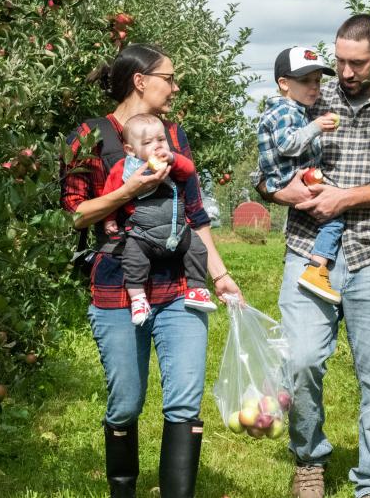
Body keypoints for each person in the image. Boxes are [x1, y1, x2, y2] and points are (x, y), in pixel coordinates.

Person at [253, 15, 370, 498]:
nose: (345, 73)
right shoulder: (312, 96)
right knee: (303, 361)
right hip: (308, 248)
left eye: (357, 63)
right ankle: (309, 459)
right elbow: (263, 169)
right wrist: (276, 191)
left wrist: (344, 198)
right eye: (339, 61)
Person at [62, 43, 242, 498]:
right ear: (141, 81)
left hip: (181, 282)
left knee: (184, 401)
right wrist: (129, 189)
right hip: (117, 283)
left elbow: (196, 215)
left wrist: (219, 276)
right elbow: (74, 214)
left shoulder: (175, 135)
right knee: (125, 402)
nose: (175, 87)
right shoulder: (89, 136)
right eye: (170, 78)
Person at [99, 113, 217, 325]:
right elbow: (110, 193)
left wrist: (173, 158)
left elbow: (189, 170)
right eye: (147, 142)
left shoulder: (171, 164)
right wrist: (109, 219)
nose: (157, 146)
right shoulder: (124, 169)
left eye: (161, 140)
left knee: (198, 249)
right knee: (133, 258)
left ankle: (197, 289)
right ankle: (138, 299)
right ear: (130, 150)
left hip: (178, 231)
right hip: (143, 235)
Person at [256, 46, 344, 304]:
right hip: (287, 180)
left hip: (291, 178)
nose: (314, 87)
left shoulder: (294, 109)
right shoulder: (285, 111)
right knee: (334, 218)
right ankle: (317, 268)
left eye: (317, 81)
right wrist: (316, 127)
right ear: (283, 83)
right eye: (305, 81)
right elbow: (287, 144)